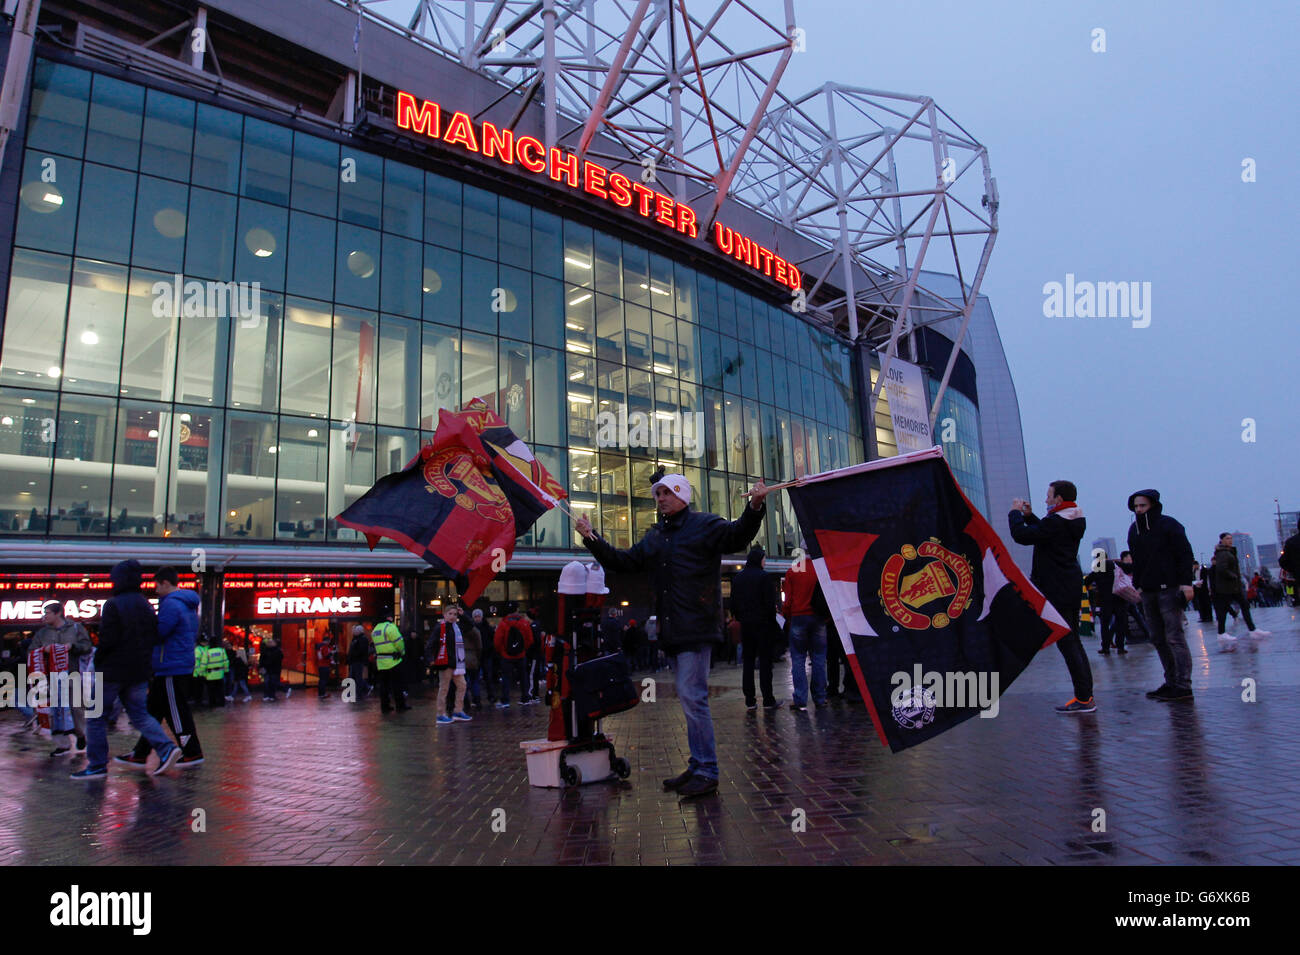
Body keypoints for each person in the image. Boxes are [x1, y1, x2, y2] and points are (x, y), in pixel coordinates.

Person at [577, 472, 769, 799]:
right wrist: (592, 537)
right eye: (658, 494)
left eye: (667, 492)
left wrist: (755, 505)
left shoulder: (705, 525)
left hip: (696, 626)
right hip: (675, 630)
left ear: (682, 494)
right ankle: (698, 765)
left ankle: (707, 769)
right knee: (689, 696)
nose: (660, 498)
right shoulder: (657, 537)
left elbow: (737, 536)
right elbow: (624, 562)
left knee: (692, 696)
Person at [71, 560, 182, 779]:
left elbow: (108, 640)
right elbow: (153, 635)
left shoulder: (113, 605)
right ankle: (167, 748)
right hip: (138, 670)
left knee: (95, 717)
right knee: (139, 714)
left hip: (112, 670)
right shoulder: (146, 604)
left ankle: (97, 765)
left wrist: (99, 661)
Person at [1008, 481, 1094, 713]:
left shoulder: (1057, 521)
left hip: (1058, 588)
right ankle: (1085, 697)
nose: (1045, 500)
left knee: (1069, 643)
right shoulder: (1068, 519)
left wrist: (1015, 514)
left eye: (1048, 496)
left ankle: (1085, 698)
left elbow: (1023, 536)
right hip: (1067, 586)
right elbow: (1046, 535)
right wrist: (1030, 516)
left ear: (1058, 499)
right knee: (1072, 641)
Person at [117, 566, 205, 768]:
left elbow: (160, 632)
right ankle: (140, 752)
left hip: (171, 666)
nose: (155, 589)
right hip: (174, 664)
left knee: (176, 711)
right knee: (154, 711)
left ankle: (191, 752)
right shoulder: (185, 604)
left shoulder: (171, 604)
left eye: (156, 584)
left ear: (165, 583)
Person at [1127, 489, 1195, 703]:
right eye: (1136, 506)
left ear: (1153, 505)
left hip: (1170, 588)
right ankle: (1171, 681)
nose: (1138, 510)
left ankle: (1183, 685)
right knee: (1157, 637)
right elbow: (1136, 560)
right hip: (1147, 590)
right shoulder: (1134, 530)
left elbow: (1185, 554)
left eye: (1143, 506)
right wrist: (1137, 584)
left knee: (1174, 636)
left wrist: (1186, 584)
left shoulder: (1169, 525)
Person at [31, 601, 93, 757]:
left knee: (76, 708)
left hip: (72, 674)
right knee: (54, 711)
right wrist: (43, 650)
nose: (44, 616)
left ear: (58, 613)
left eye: (47, 612)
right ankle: (62, 744)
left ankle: (81, 734)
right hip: (51, 678)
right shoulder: (42, 633)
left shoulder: (76, 628)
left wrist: (73, 647)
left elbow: (87, 646)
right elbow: (31, 650)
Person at [732, 545, 782, 710]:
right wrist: (770, 620)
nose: (765, 561)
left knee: (748, 661)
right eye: (764, 558)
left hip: (746, 625)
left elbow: (734, 605)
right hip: (763, 625)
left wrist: (741, 617)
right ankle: (768, 699)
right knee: (765, 662)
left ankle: (750, 699)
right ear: (759, 559)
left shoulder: (738, 578)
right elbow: (769, 604)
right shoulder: (764, 577)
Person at [782, 546, 830, 711]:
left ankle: (800, 699)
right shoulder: (822, 569)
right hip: (819, 618)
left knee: (798, 658)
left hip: (798, 617)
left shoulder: (793, 571)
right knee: (818, 658)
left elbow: (787, 602)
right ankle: (820, 698)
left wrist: (788, 616)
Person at [1210, 533, 1270, 650]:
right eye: (1227, 538)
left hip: (1233, 587)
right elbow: (1222, 569)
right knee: (1224, 610)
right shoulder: (1222, 553)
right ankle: (1221, 634)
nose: (1230, 540)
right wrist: (1233, 576)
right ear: (1221, 540)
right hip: (1227, 587)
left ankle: (1252, 630)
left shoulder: (1229, 551)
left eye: (1231, 538)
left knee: (1244, 605)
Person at [428, 604, 472, 726]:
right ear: (445, 615)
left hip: (456, 663)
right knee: (444, 689)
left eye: (455, 614)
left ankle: (457, 711)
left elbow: (470, 625)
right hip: (445, 663)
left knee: (462, 686)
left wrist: (463, 615)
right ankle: (440, 714)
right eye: (450, 614)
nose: (452, 616)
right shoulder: (440, 628)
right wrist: (430, 659)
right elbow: (431, 644)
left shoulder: (456, 627)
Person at [493, 604, 535, 707]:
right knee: (523, 676)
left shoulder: (503, 623)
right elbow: (530, 640)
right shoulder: (524, 623)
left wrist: (502, 651)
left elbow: (497, 641)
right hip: (521, 655)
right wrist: (523, 649)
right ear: (517, 610)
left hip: (506, 656)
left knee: (506, 678)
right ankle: (525, 698)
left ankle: (505, 700)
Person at [370, 612, 408, 714]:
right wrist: (402, 652)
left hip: (381, 662)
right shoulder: (390, 627)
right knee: (397, 685)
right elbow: (399, 642)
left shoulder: (375, 630)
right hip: (393, 661)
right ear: (389, 617)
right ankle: (400, 705)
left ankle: (385, 706)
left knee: (384, 686)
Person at [347, 625, 370, 699]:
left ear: (359, 631)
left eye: (356, 630)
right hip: (354, 661)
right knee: (354, 677)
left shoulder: (362, 639)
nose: (354, 632)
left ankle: (360, 692)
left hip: (358, 661)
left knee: (357, 677)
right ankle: (360, 690)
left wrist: (353, 656)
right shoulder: (356, 639)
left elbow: (361, 650)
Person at [259, 636, 285, 701]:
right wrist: (261, 667)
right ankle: (266, 695)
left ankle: (272, 695)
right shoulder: (265, 650)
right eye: (269, 642)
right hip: (266, 669)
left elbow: (279, 659)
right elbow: (261, 659)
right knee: (266, 682)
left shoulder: (278, 651)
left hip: (274, 669)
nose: (270, 643)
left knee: (272, 683)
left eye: (271, 642)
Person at [315, 633, 336, 698]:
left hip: (320, 665)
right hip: (325, 665)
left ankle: (320, 693)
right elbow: (326, 656)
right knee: (324, 680)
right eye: (329, 641)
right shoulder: (324, 647)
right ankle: (322, 694)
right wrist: (332, 652)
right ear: (327, 641)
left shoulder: (319, 647)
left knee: (321, 680)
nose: (329, 642)